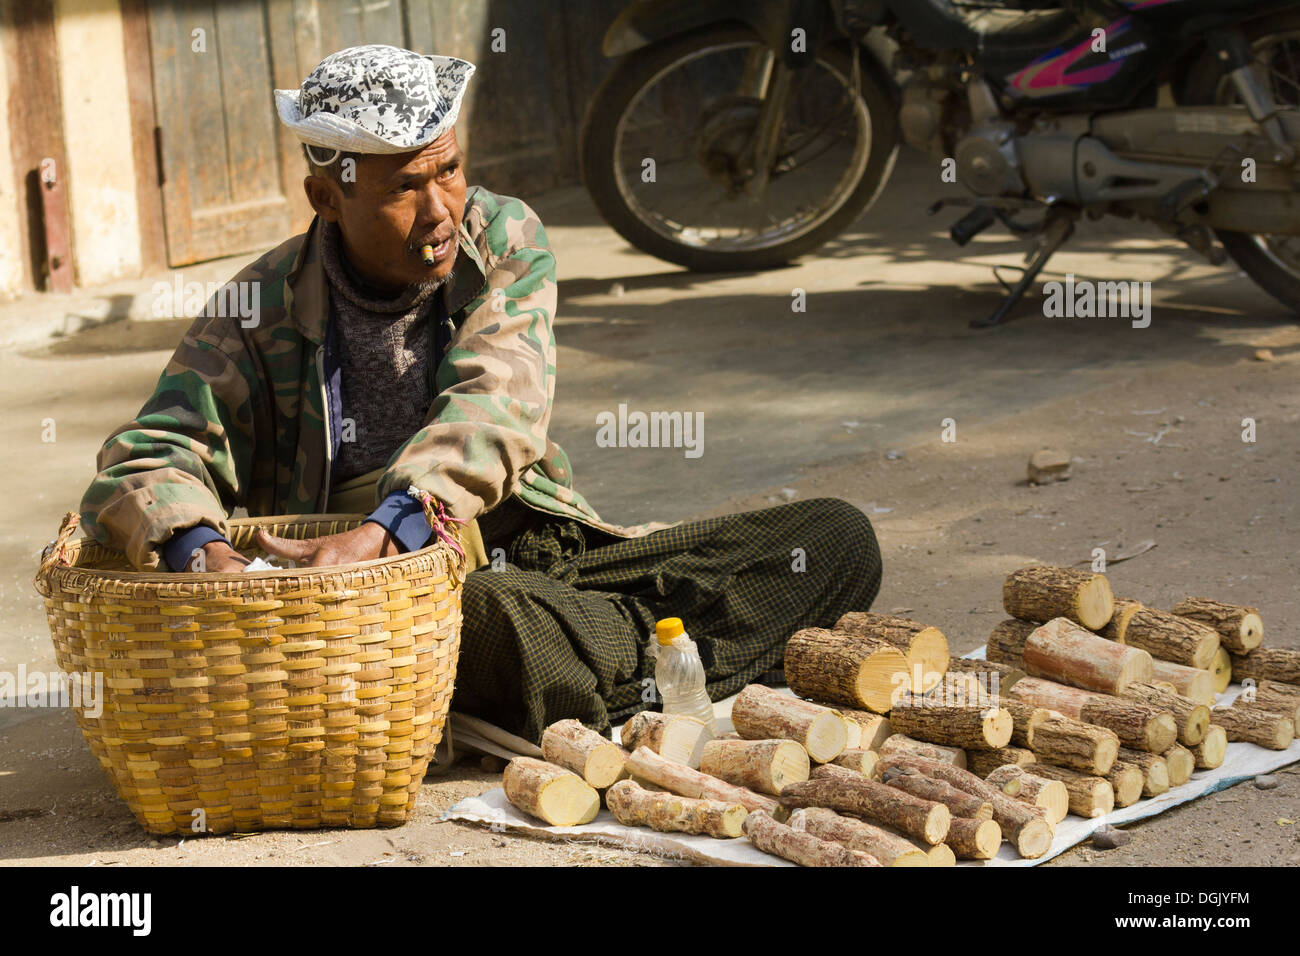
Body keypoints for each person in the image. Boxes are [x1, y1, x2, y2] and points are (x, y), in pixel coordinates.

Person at [78, 44, 883, 745]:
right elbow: (148, 455)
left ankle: (608, 667)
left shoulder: (501, 238)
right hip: (394, 618)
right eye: (405, 187)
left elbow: (497, 404)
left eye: (451, 171)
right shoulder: (259, 307)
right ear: (328, 198)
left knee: (838, 538)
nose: (440, 211)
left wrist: (393, 524)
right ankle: (641, 666)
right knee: (491, 619)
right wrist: (203, 553)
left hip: (540, 555)